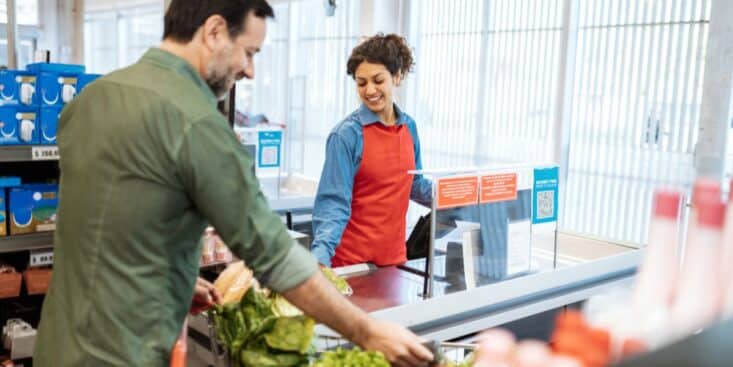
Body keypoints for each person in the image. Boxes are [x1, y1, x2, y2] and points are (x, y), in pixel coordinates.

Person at [33, 2, 433, 366]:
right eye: (249, 51)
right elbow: (274, 256)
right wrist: (368, 331)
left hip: (58, 345)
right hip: (123, 354)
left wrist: (174, 275)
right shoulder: (198, 123)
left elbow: (103, 220)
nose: (250, 69)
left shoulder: (92, 99)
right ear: (213, 32)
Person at [311, 34, 432, 268]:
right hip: (351, 266)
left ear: (397, 77)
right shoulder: (346, 135)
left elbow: (414, 185)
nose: (369, 90)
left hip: (394, 264)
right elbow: (333, 205)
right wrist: (319, 262)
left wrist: (460, 197)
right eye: (361, 82)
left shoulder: (409, 128)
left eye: (378, 80)